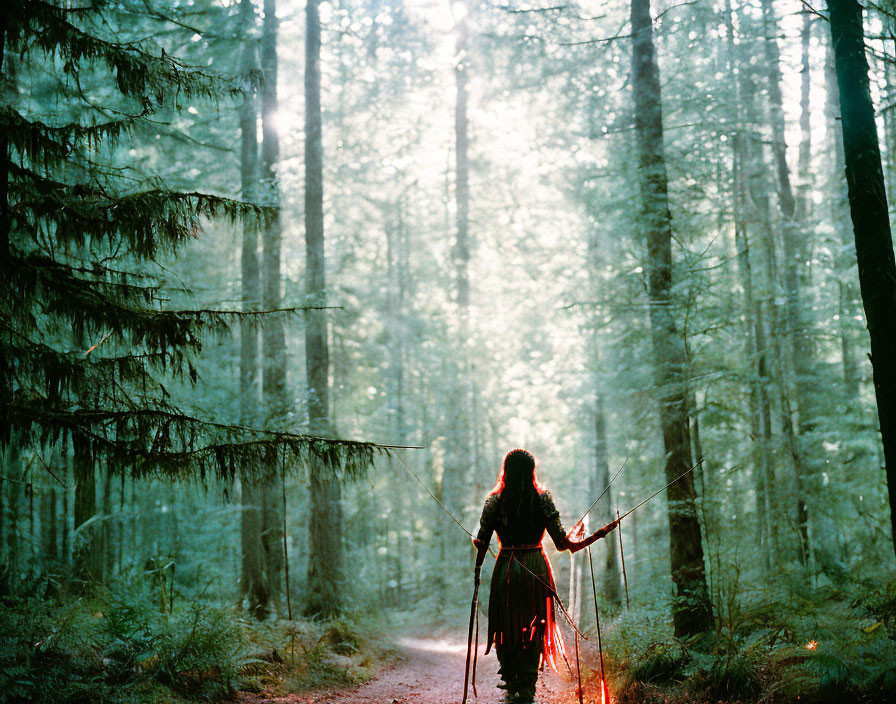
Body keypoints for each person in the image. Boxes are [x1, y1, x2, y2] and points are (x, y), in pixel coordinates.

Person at [472, 449, 619, 704]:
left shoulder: (494, 502)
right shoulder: (543, 499)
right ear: (531, 471)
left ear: (505, 471)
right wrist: (593, 535)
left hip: (506, 569)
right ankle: (527, 685)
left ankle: (511, 680)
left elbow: (482, 542)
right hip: (536, 568)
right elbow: (563, 544)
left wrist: (477, 542)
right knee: (535, 625)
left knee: (505, 626)